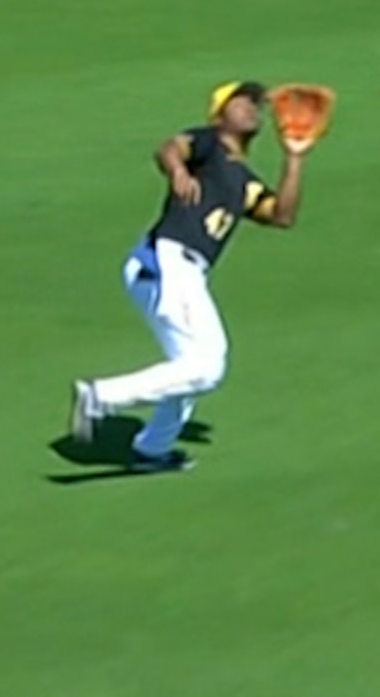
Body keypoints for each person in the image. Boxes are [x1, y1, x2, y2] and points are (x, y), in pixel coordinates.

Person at [67, 81, 310, 472]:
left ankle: (152, 450)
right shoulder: (210, 143)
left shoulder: (244, 181)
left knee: (190, 367)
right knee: (207, 367)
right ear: (219, 114)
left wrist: (295, 158)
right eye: (241, 102)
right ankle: (101, 396)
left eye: (255, 104)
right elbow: (169, 148)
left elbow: (281, 215)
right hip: (169, 260)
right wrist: (178, 170)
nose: (252, 108)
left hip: (180, 270)